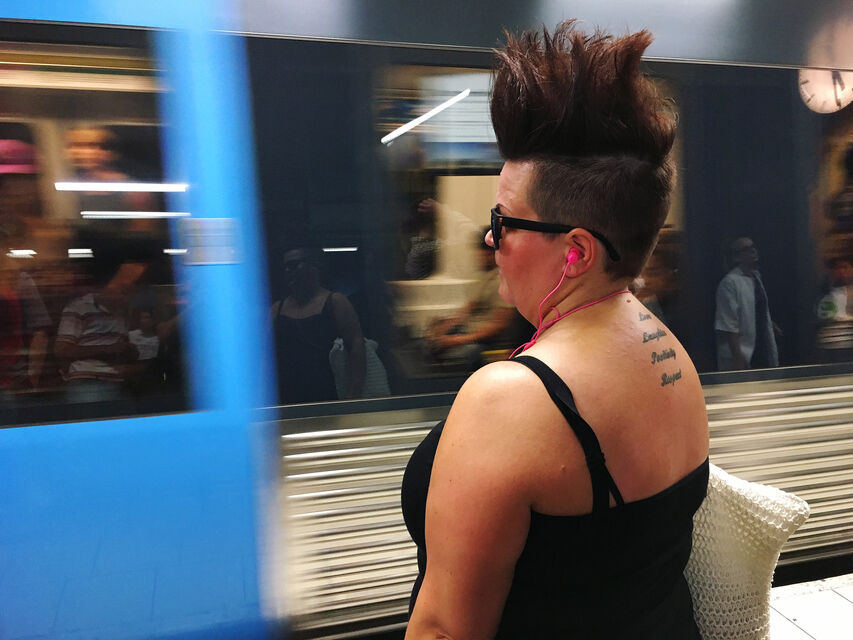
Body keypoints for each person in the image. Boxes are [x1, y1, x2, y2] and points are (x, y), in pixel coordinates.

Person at [401, 22, 709, 639]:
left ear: (576, 252)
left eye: (503, 221)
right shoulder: (670, 352)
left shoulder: (512, 400)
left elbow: (443, 630)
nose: (491, 240)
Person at [271, 248, 366, 403]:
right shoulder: (277, 309)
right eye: (286, 267)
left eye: (294, 265)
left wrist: (353, 395)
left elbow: (357, 347)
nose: (288, 271)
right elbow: (265, 358)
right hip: (287, 397)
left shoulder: (335, 302)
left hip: (326, 395)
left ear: (313, 266)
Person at [425, 228, 516, 368]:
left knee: (464, 354)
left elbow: (497, 327)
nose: (479, 258)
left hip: (488, 344)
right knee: (431, 340)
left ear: (494, 254)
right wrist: (444, 326)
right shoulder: (484, 276)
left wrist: (455, 340)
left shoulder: (504, 281)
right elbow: (469, 309)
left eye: (484, 255)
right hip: (470, 332)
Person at [714, 237, 780, 370]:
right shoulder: (730, 283)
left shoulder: (756, 277)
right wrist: (739, 361)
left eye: (753, 247)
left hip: (761, 347)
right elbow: (729, 325)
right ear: (736, 257)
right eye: (746, 249)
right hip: (743, 354)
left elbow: (755, 309)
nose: (753, 251)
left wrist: (768, 323)